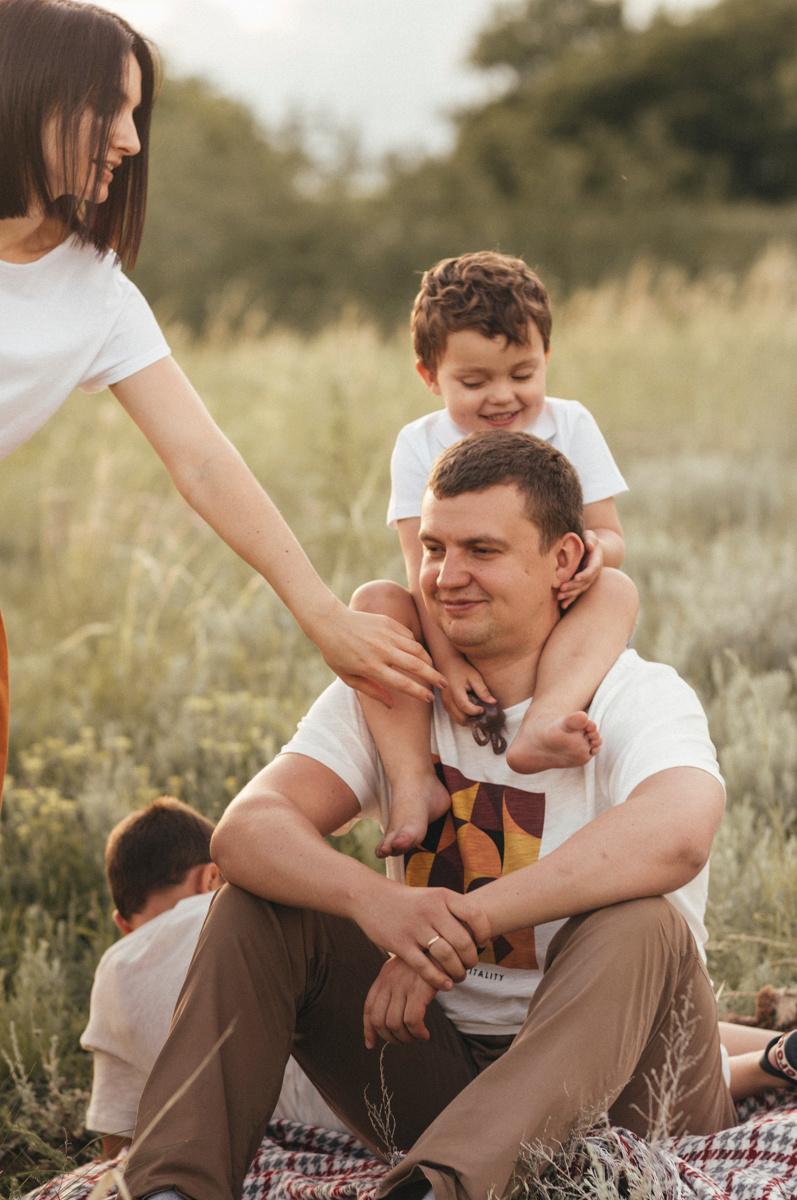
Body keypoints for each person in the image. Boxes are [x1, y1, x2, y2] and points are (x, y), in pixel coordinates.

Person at [124, 430, 739, 1200]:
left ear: (564, 561)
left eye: (481, 550)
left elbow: (677, 834)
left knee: (641, 920)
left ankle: (436, 1190)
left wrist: (456, 926)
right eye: (434, 549)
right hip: (437, 1072)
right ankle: (172, 1189)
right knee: (259, 903)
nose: (447, 577)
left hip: (632, 1094)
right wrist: (376, 904)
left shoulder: (633, 693)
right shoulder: (396, 692)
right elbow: (247, 831)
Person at [0, 0, 441, 805]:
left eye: (137, 113)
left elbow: (201, 460)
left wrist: (322, 617)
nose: (132, 140)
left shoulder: (94, 292)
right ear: (29, 93)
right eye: (108, 107)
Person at [351, 251, 639, 858]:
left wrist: (593, 555)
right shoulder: (420, 442)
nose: (503, 398)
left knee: (618, 588)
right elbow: (421, 568)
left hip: (548, 611)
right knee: (374, 602)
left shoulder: (571, 423)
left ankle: (545, 719)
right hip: (456, 615)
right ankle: (411, 783)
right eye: (475, 382)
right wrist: (448, 662)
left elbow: (610, 535)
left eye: (522, 374)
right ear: (431, 376)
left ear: (547, 360)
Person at [81, 796, 352, 1160]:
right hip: (362, 1126)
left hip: (250, 1156)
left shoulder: (116, 967)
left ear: (122, 924)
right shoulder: (261, 905)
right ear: (211, 877)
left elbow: (119, 1144)